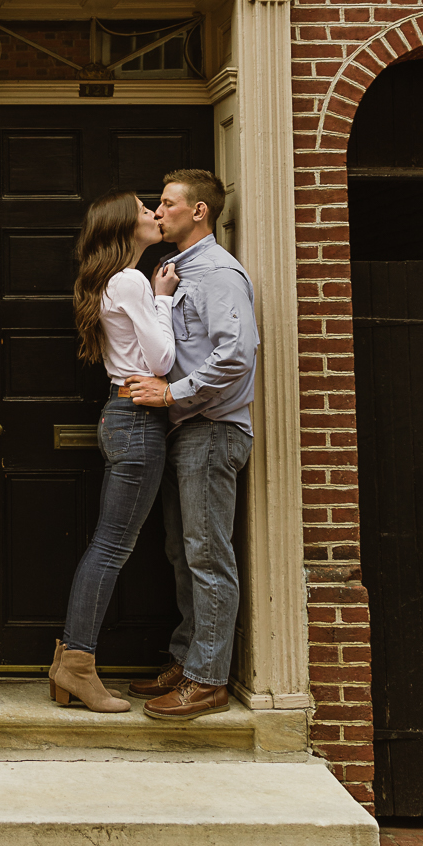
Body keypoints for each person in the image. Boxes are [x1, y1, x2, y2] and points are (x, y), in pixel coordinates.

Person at [121, 168, 257, 722]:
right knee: (183, 552)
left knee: (207, 554)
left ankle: (208, 680)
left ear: (198, 211)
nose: (158, 211)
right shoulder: (175, 271)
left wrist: (170, 391)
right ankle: (186, 659)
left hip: (212, 429)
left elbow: (236, 355)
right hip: (186, 430)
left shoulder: (220, 274)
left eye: (167, 202)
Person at [50, 190, 180, 712]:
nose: (153, 212)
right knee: (111, 548)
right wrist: (164, 299)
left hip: (118, 414)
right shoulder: (129, 280)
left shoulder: (112, 280)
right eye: (144, 208)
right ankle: (76, 665)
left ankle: (68, 666)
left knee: (108, 545)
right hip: (137, 418)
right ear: (125, 225)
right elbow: (162, 358)